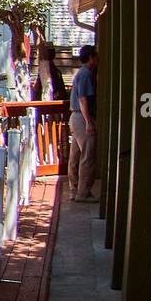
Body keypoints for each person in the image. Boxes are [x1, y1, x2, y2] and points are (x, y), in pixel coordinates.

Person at [67, 44, 98, 202]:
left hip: (75, 117)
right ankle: (83, 192)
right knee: (88, 154)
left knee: (76, 154)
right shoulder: (86, 74)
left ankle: (74, 189)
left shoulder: (81, 73)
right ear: (91, 58)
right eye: (96, 56)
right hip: (81, 117)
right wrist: (89, 122)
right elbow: (83, 99)